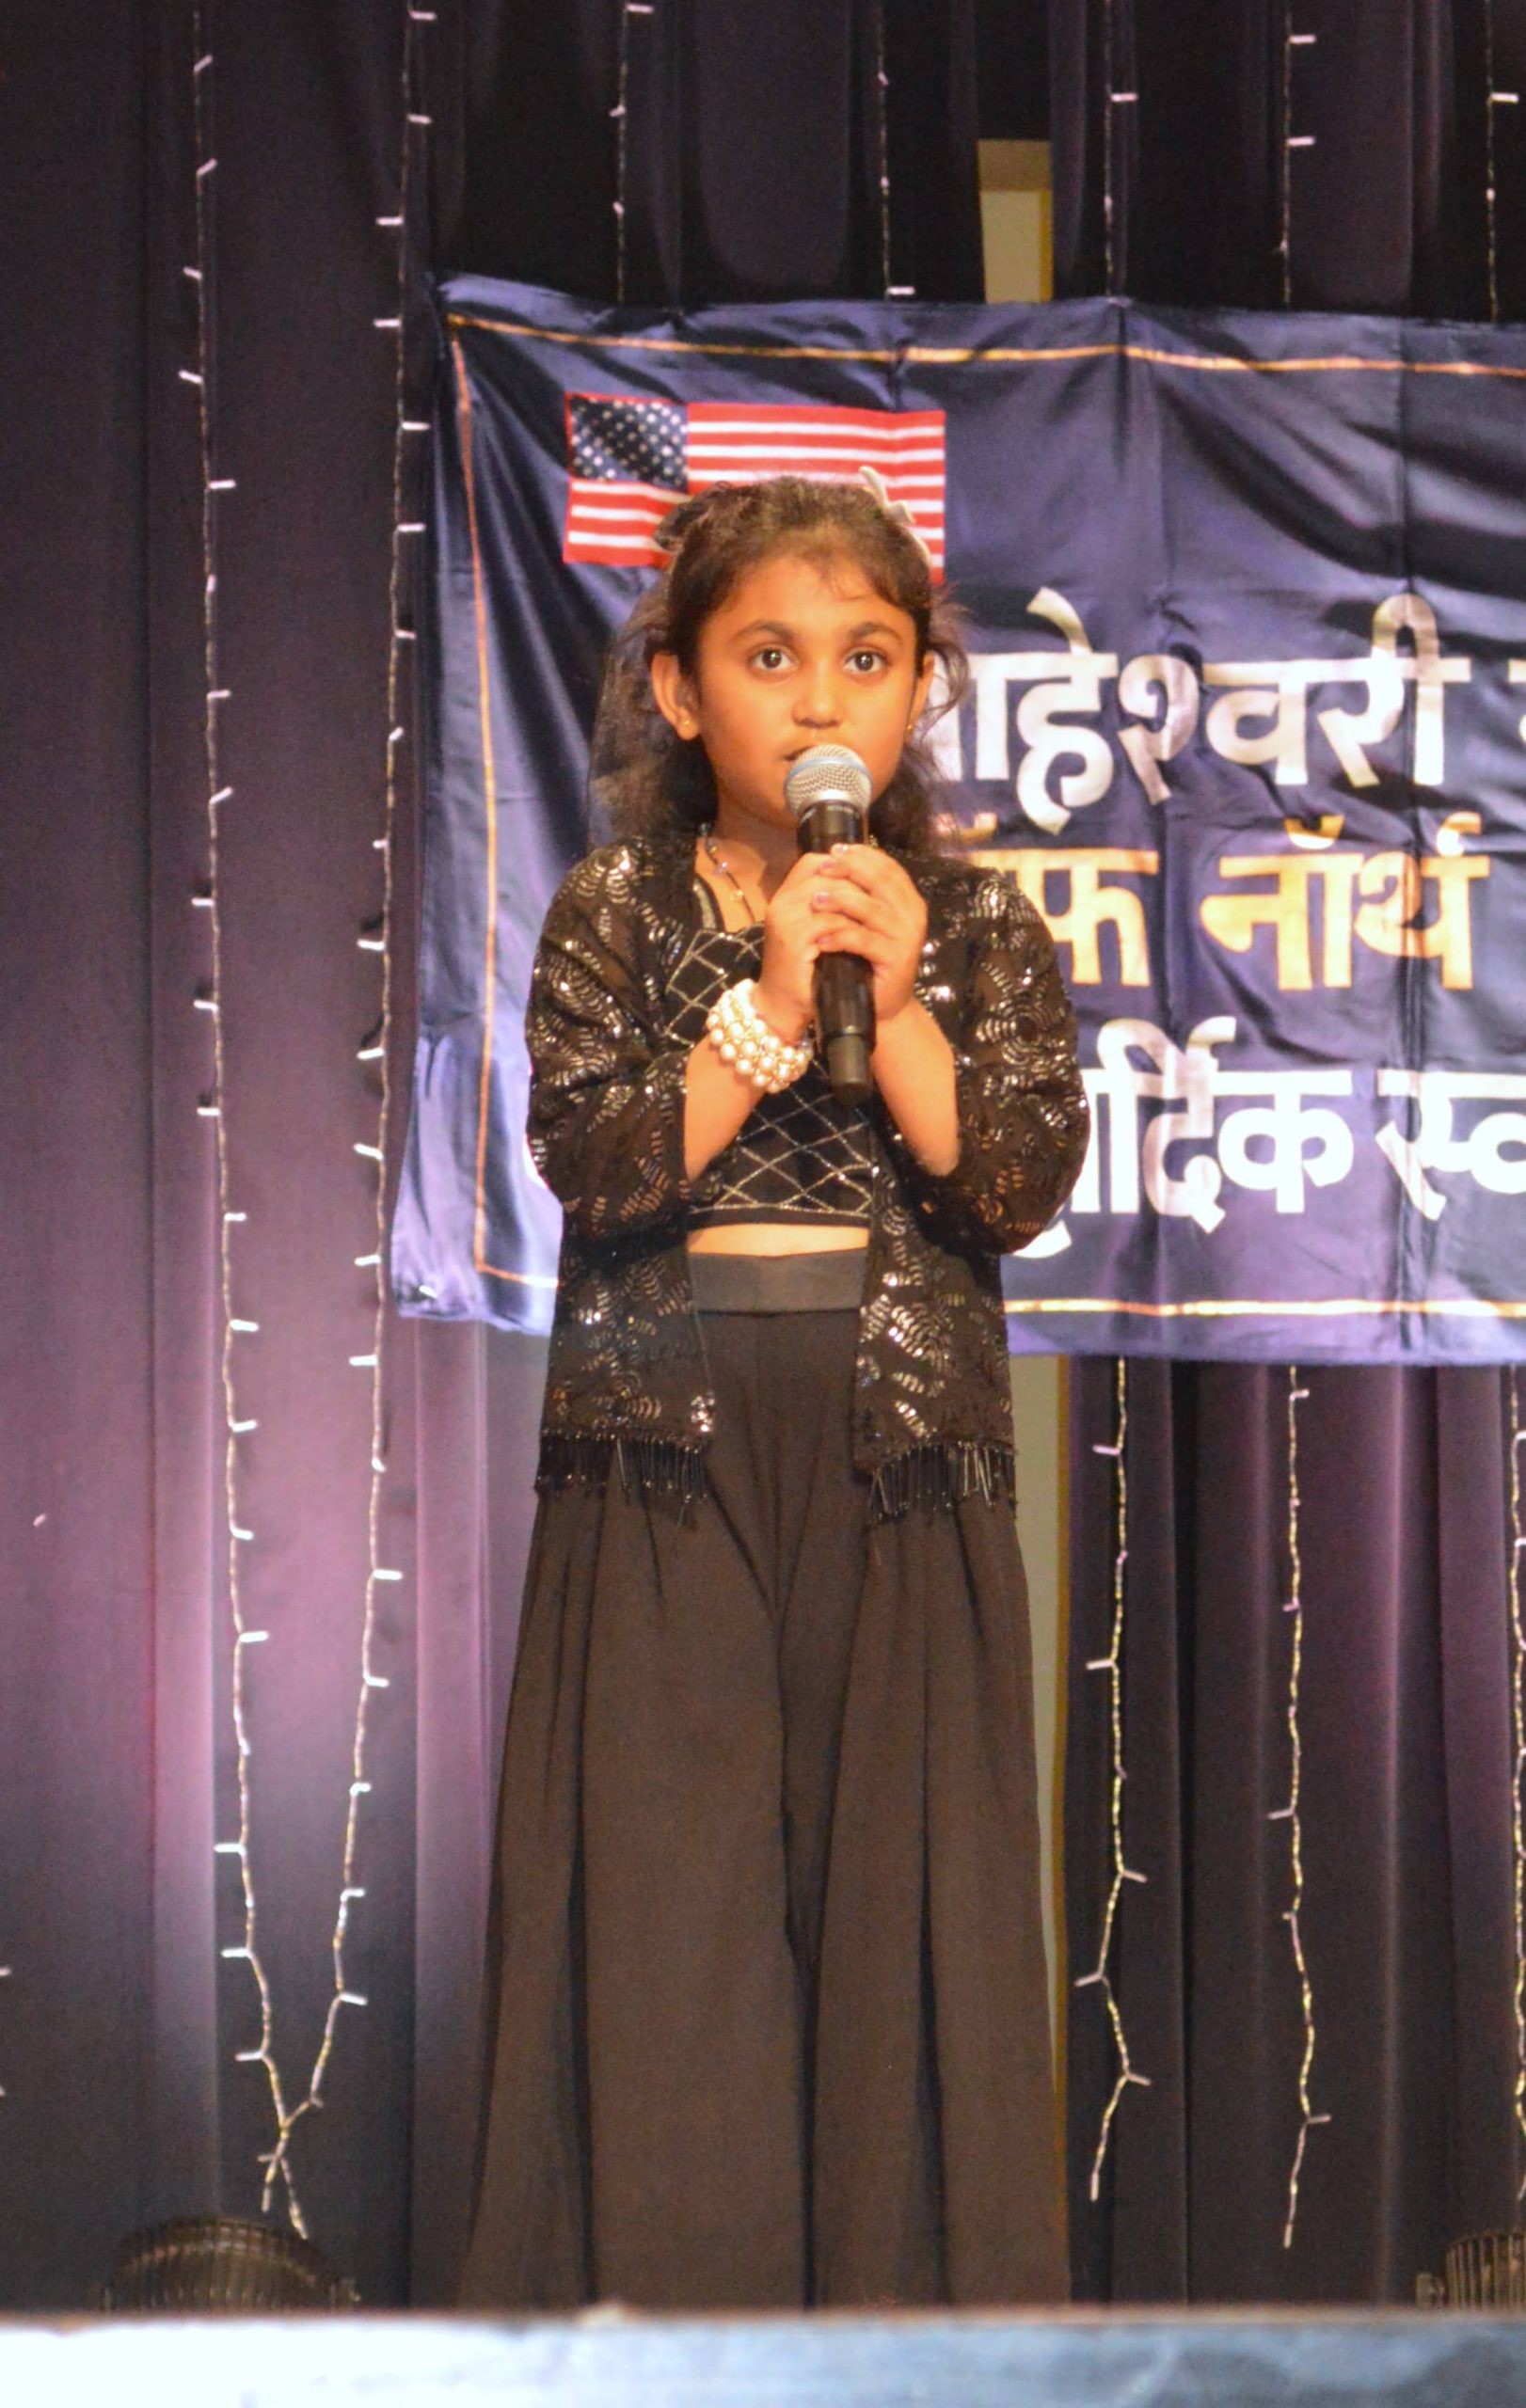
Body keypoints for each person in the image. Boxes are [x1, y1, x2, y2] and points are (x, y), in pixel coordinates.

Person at [459, 474, 1089, 2314]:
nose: (822, 702)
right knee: (674, 1930)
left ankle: (913, 2344)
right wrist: (764, 1002)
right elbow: (600, 1163)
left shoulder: (970, 922)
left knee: (906, 1923)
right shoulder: (616, 904)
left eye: (867, 660)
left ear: (916, 691)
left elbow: (1013, 1181)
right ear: (678, 690)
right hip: (664, 1452)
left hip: (900, 1452)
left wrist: (892, 997)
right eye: (769, 656)